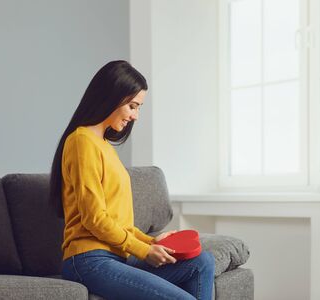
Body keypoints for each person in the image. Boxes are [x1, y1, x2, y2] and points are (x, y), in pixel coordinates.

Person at [49, 60, 215, 300]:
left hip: (116, 257)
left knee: (202, 262)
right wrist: (144, 250)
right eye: (132, 106)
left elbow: (117, 221)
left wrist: (151, 240)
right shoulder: (81, 141)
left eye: (139, 108)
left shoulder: (105, 146)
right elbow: (95, 219)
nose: (135, 116)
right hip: (88, 260)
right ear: (112, 97)